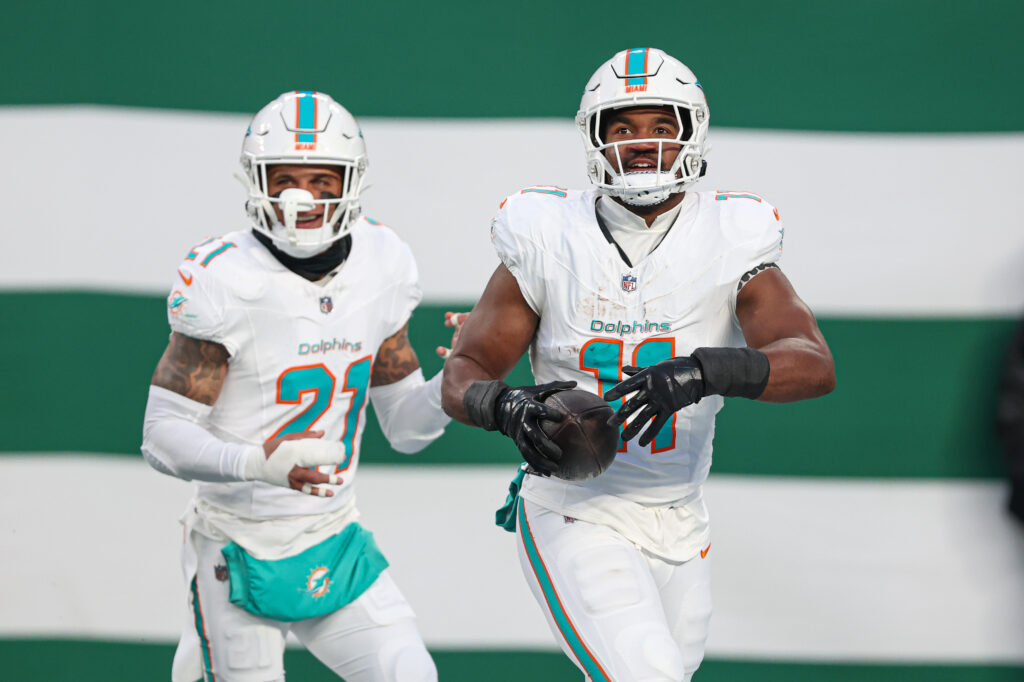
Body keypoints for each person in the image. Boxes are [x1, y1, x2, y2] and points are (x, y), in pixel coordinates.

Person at [441, 48, 836, 681]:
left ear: (693, 134)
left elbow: (813, 364)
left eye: (662, 125)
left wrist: (706, 371)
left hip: (682, 517)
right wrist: (506, 407)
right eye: (622, 127)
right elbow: (463, 370)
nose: (643, 143)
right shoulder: (546, 232)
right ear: (594, 139)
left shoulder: (732, 233)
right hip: (575, 509)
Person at [141, 90, 455, 682]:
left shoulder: (382, 262)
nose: (301, 197)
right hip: (236, 543)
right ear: (255, 181)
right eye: (284, 178)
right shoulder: (224, 278)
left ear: (351, 181)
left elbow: (408, 430)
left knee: (411, 673)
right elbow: (160, 436)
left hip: (331, 534)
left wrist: (460, 377)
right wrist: (256, 464)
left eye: (321, 178)